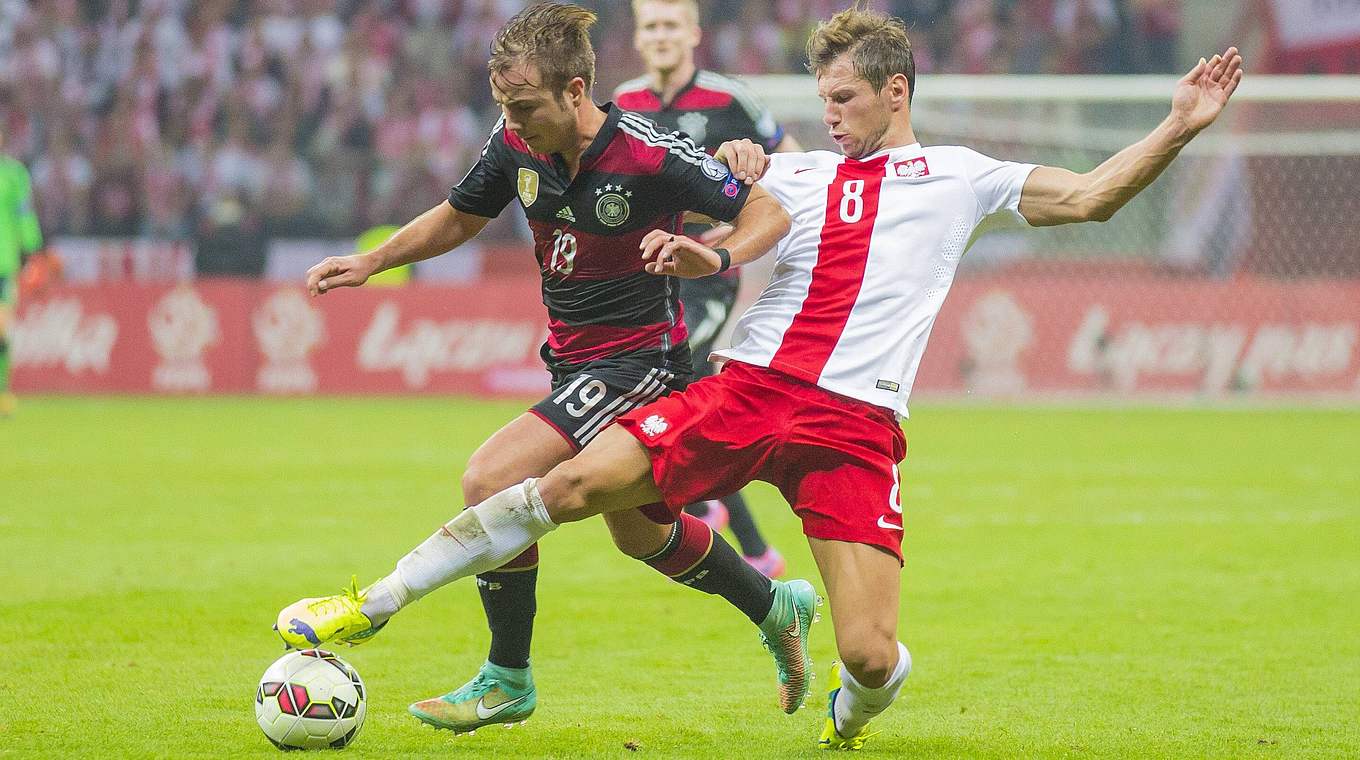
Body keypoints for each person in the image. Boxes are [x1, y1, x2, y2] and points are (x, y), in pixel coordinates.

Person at [285, 5, 1242, 749]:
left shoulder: (962, 174)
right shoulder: (794, 174)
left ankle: (850, 711)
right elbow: (742, 220)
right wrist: (711, 250)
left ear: (896, 92)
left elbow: (1092, 194)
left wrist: (1180, 126)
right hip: (746, 393)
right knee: (565, 488)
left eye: (847, 100)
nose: (830, 116)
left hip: (857, 424)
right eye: (822, 100)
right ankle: (376, 604)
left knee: (870, 654)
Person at [275, 2, 816, 734]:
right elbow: (462, 214)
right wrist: (375, 259)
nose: (514, 120)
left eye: (525, 105)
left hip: (642, 363)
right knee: (643, 535)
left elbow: (768, 209)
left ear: (575, 91)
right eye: (504, 105)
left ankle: (506, 678)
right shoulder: (515, 142)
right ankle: (772, 604)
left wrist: (716, 254)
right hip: (573, 362)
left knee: (490, 478)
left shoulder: (650, 151)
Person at [614, 0, 801, 578]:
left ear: (693, 34)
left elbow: (792, 165)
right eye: (651, 27)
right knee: (685, 389)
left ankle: (703, 505)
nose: (662, 36)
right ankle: (753, 547)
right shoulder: (621, 105)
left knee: (679, 377)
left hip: (707, 279)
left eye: (671, 25)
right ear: (639, 39)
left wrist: (738, 226)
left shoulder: (730, 100)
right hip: (643, 281)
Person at [0, 127, 45, 417]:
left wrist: (32, 247)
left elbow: (24, 213)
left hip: (3, 263)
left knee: (1, 330)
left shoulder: (14, 174)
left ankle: (2, 393)